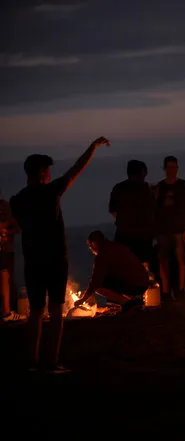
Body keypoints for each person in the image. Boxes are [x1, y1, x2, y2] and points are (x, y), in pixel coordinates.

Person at [10, 136, 110, 373]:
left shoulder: (18, 200)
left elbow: (18, 226)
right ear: (42, 172)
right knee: (56, 312)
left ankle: (31, 363)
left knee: (35, 311)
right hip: (55, 259)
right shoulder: (51, 192)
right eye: (47, 170)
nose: (49, 174)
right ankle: (52, 361)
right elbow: (76, 169)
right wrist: (92, 147)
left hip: (33, 260)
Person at [73, 231, 148, 313]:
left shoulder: (103, 254)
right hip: (143, 283)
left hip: (135, 285)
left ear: (94, 243)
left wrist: (82, 300)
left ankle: (127, 303)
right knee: (109, 279)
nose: (91, 248)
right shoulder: (115, 246)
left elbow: (95, 282)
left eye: (91, 246)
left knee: (99, 287)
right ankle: (133, 301)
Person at [155, 156, 185, 300]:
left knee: (181, 260)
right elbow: (155, 208)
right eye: (170, 167)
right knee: (163, 261)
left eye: (174, 167)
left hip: (179, 229)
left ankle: (180, 289)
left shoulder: (184, 186)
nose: (172, 170)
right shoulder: (160, 187)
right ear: (165, 169)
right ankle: (166, 291)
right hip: (163, 229)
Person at [109, 159, 156, 274]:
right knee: (145, 264)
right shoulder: (146, 189)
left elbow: (113, 211)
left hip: (123, 233)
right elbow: (153, 209)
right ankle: (145, 289)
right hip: (143, 235)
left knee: (125, 265)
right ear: (142, 173)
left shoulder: (118, 188)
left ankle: (127, 289)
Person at [0, 191, 24, 322]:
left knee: (7, 280)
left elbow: (16, 227)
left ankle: (7, 312)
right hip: (3, 251)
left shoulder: (4, 206)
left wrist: (5, 231)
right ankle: (6, 313)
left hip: (5, 250)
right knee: (4, 278)